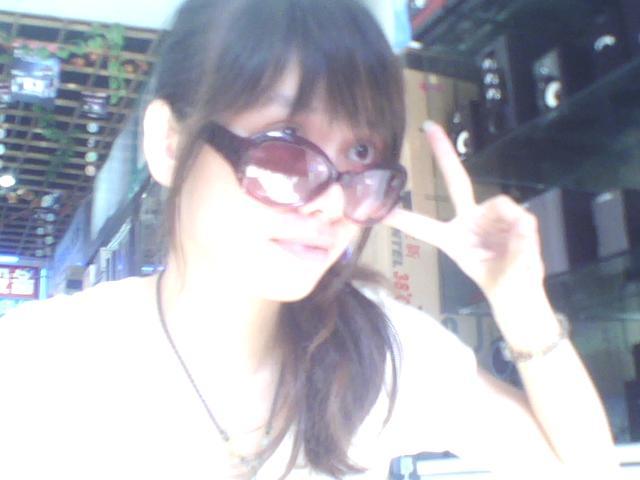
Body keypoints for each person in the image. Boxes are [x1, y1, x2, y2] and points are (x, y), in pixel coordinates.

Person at [0, 0, 621, 479]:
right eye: (286, 148)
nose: (332, 203)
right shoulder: (37, 369)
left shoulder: (376, 350)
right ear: (169, 143)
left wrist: (519, 301)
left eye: (361, 155)